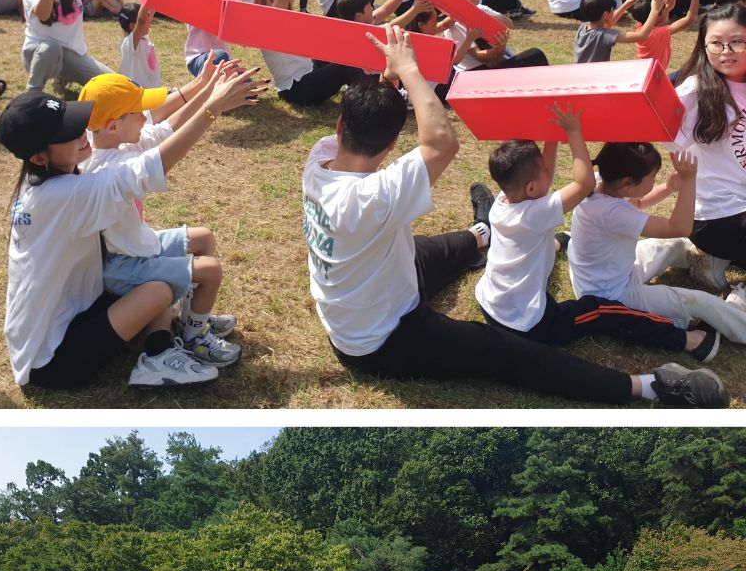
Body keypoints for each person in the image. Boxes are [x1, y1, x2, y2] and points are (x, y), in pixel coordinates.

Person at [303, 27, 725, 406]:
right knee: (509, 354)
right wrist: (409, 70)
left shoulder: (319, 163)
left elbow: (373, 125)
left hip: (360, 296)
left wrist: (387, 84)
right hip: (382, 339)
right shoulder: (374, 198)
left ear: (339, 127)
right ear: (395, 141)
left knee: (429, 248)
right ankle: (647, 387)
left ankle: (483, 232)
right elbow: (441, 141)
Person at [0, 70, 255, 393]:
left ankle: (170, 338)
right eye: (69, 133)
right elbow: (146, 170)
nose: (82, 134)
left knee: (155, 274)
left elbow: (151, 126)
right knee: (158, 289)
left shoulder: (51, 175)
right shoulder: (63, 195)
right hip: (51, 359)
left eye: (77, 124)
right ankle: (158, 358)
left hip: (70, 314)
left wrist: (200, 89)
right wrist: (211, 108)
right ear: (39, 156)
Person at [477, 117, 708, 355]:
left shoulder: (503, 202)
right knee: (601, 311)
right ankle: (684, 339)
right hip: (527, 325)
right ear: (532, 188)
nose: (550, 170)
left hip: (490, 301)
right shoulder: (535, 214)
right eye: (545, 170)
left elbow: (557, 182)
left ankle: (560, 241)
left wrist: (552, 138)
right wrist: (573, 131)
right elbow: (584, 183)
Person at [83, 68, 243, 365]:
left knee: (203, 238)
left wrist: (206, 88)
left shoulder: (110, 142)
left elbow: (165, 130)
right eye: (138, 112)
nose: (145, 117)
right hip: (123, 265)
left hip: (135, 246)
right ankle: (195, 338)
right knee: (210, 270)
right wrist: (213, 107)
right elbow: (161, 159)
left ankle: (190, 319)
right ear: (114, 125)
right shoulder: (108, 170)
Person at [572, 143, 746, 345]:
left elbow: (638, 203)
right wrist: (689, 182)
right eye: (652, 177)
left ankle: (706, 265)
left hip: (608, 274)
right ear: (627, 183)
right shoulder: (611, 213)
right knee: (700, 302)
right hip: (611, 295)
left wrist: (669, 187)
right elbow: (680, 227)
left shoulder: (601, 182)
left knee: (673, 245)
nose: (655, 180)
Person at [672, 2, 746, 290]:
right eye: (716, 43)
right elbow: (662, 136)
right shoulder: (695, 91)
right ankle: (712, 257)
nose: (726, 51)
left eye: (737, 41)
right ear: (704, 47)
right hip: (718, 216)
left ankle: (714, 259)